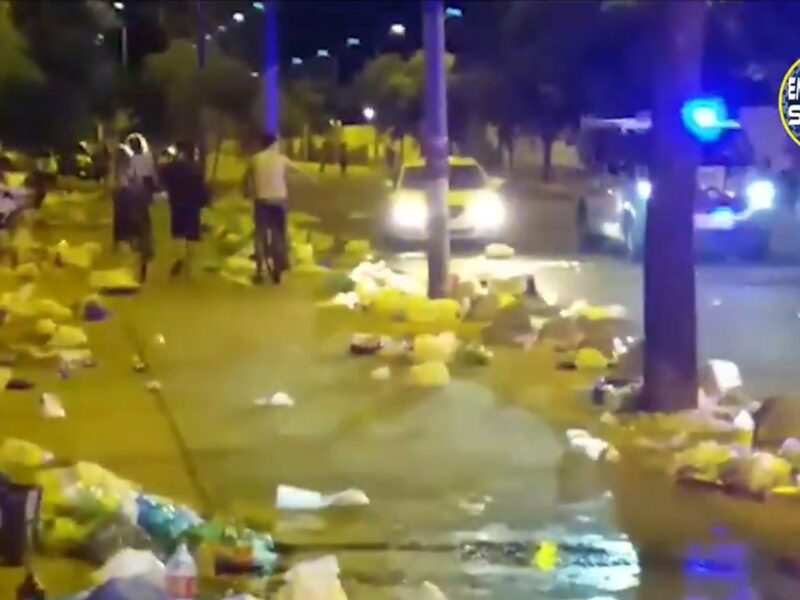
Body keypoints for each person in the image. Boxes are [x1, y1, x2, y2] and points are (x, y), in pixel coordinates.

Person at [244, 133, 313, 285]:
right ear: (274, 143)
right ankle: (279, 265)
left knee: (260, 234)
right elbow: (299, 170)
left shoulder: (255, 159)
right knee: (279, 233)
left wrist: (247, 191)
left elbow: (246, 178)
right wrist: (313, 180)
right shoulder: (281, 159)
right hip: (279, 201)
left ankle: (259, 270)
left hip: (261, 200)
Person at [161, 141, 209, 278]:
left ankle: (180, 258)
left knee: (178, 233)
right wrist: (205, 201)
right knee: (192, 234)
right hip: (192, 204)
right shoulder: (197, 168)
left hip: (177, 203)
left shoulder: (171, 167)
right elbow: (201, 187)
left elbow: (163, 180)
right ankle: (190, 266)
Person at [118, 136, 157, 282]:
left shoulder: (131, 160)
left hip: (132, 199)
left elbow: (128, 178)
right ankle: (143, 267)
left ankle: (134, 270)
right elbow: (152, 178)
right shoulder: (148, 159)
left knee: (132, 234)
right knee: (144, 231)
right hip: (143, 199)